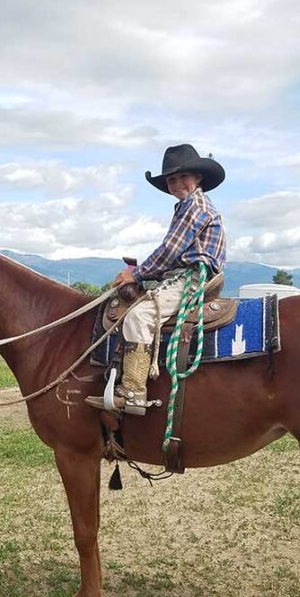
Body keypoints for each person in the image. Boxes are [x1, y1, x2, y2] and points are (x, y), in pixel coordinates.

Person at [85, 144, 226, 415]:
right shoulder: (187, 206)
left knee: (139, 316)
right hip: (183, 274)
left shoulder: (195, 205)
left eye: (183, 177)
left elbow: (170, 251)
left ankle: (134, 392)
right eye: (171, 179)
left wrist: (135, 274)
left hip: (192, 278)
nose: (177, 184)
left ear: (197, 178)